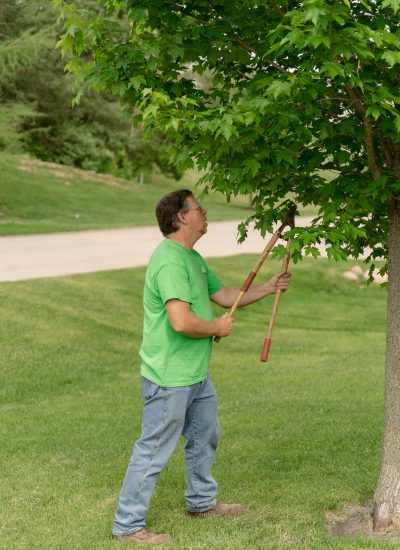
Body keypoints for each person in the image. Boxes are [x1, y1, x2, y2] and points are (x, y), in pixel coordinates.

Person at [112, 189, 292, 544]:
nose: (204, 213)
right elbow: (180, 321)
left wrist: (269, 287)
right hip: (170, 377)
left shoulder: (191, 258)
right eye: (199, 208)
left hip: (194, 374)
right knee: (153, 449)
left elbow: (225, 296)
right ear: (182, 217)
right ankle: (128, 525)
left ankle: (201, 502)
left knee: (204, 436)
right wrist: (216, 328)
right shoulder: (170, 262)